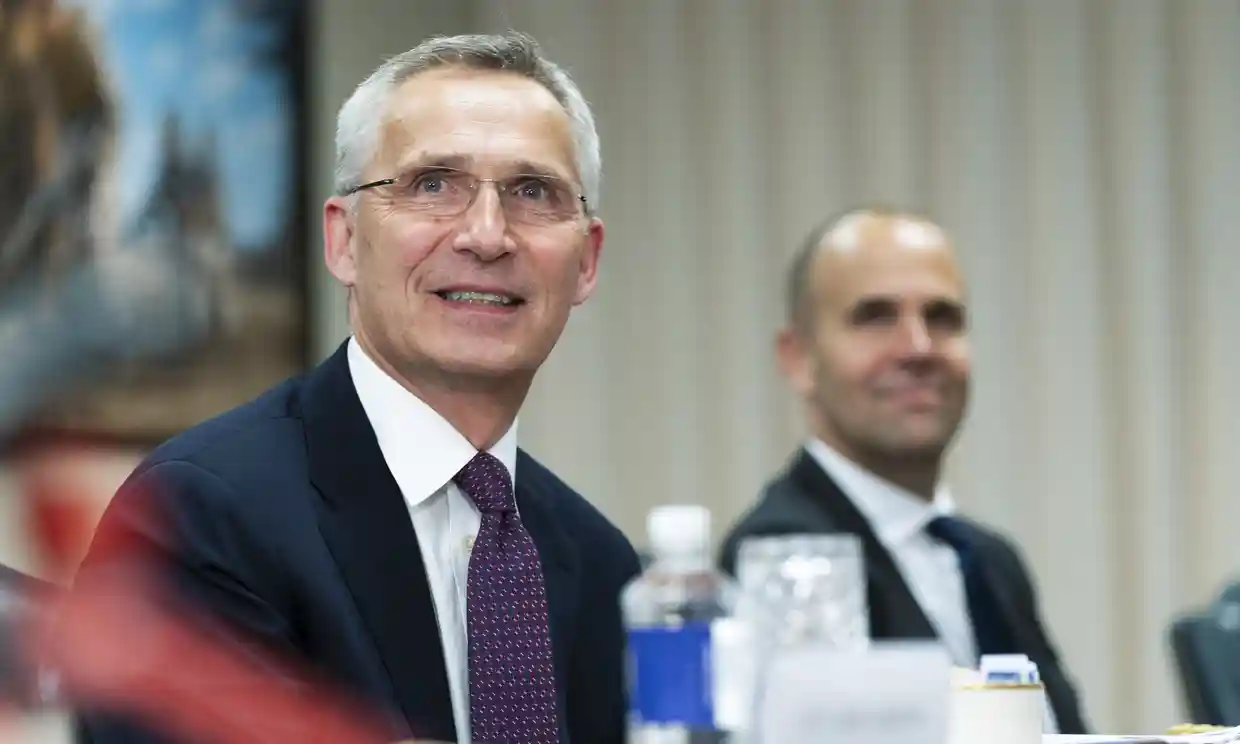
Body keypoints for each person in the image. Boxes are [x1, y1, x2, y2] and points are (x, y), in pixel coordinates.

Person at [71, 31, 640, 744]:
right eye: (433, 184)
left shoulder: (602, 564)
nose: (488, 235)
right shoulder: (200, 516)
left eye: (533, 192)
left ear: (586, 261)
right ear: (343, 241)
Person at [718, 208, 1089, 734]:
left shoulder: (990, 561)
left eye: (943, 318)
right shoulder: (788, 558)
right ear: (799, 358)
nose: (918, 348)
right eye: (875, 317)